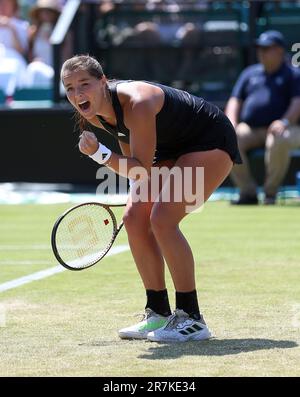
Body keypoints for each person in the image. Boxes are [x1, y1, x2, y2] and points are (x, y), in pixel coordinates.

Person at [61, 54, 242, 343]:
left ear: (103, 82)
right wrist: (134, 183)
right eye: (69, 88)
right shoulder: (95, 115)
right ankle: (157, 311)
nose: (77, 94)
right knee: (134, 218)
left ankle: (191, 318)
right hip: (170, 149)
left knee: (162, 220)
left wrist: (99, 154)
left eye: (84, 84)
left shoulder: (138, 102)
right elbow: (135, 166)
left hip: (210, 140)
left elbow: (139, 166)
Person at [225, 30, 300, 205]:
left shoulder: (293, 74)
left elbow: (297, 103)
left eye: (267, 48)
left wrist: (284, 121)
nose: (261, 52)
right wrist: (230, 122)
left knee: (279, 137)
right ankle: (248, 192)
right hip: (251, 128)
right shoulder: (249, 73)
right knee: (227, 139)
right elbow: (235, 100)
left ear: (280, 51)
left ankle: (270, 193)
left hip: (285, 128)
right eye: (260, 48)